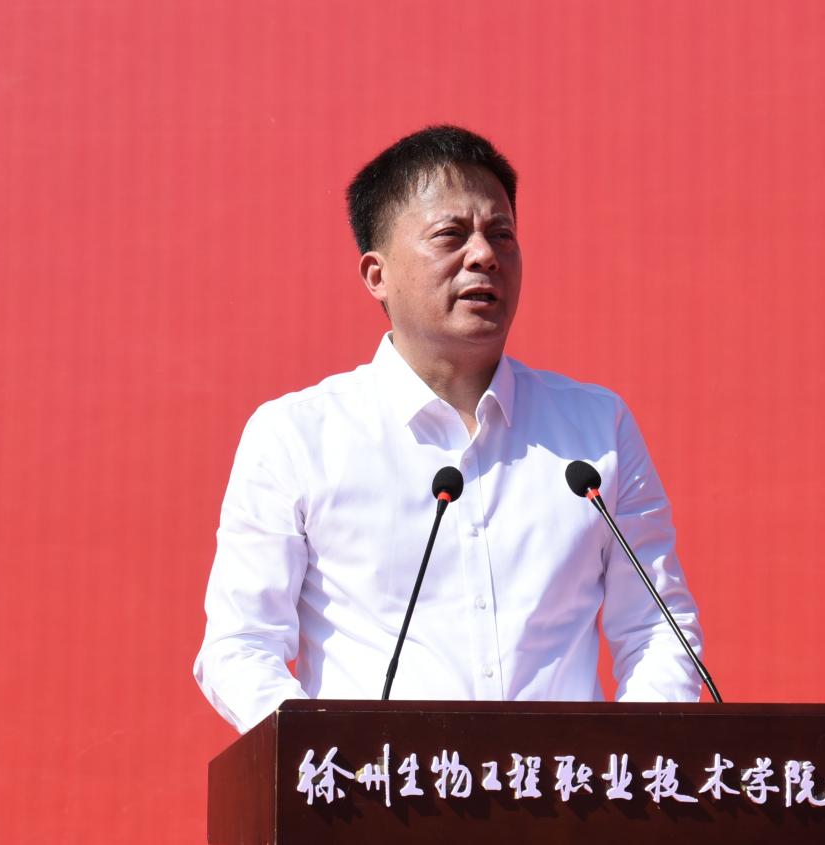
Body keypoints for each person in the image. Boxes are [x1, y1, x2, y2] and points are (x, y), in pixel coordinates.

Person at [194, 125, 703, 733]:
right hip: (379, 787)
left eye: (502, 234)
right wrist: (333, 759)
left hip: (564, 789)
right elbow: (240, 647)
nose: (484, 255)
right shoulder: (297, 436)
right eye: (451, 235)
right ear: (377, 274)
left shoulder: (598, 429)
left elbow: (658, 631)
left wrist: (628, 763)